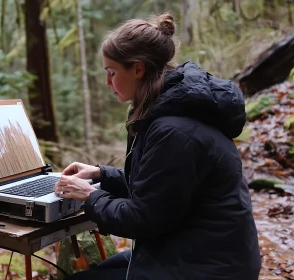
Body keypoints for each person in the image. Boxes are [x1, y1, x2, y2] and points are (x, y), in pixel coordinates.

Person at [54, 12, 261, 280]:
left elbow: (144, 219)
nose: (107, 82)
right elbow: (161, 189)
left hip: (207, 266)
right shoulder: (170, 110)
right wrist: (101, 175)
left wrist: (91, 196)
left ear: (138, 69)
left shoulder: (173, 130)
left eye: (112, 72)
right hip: (195, 251)